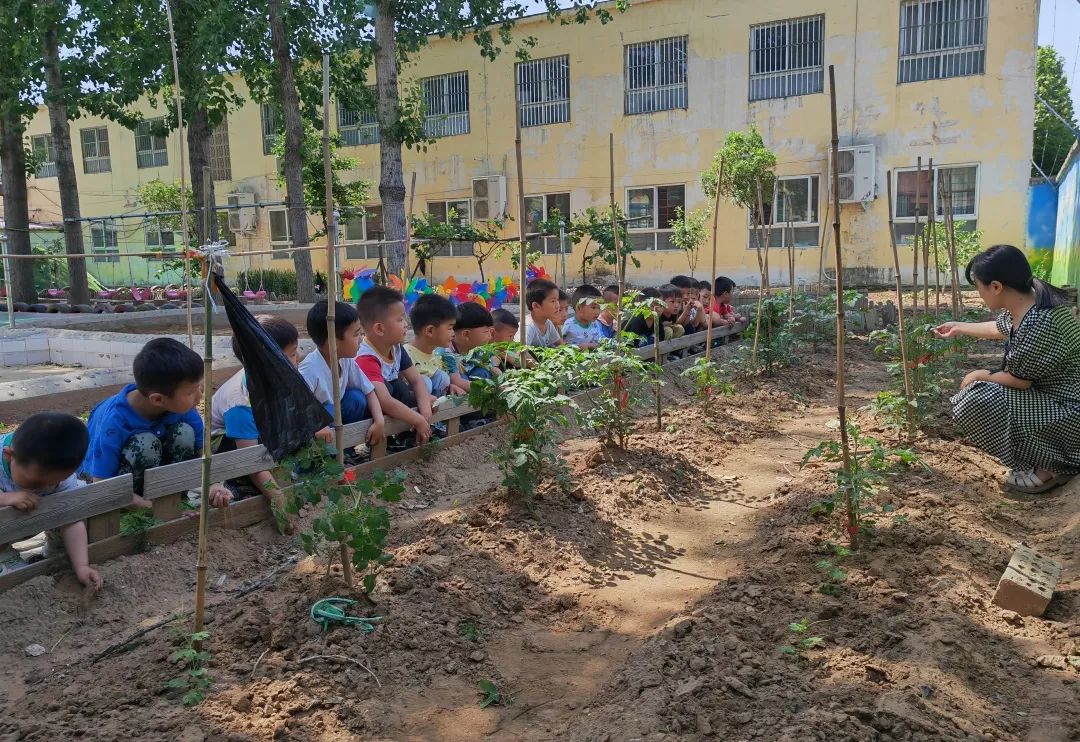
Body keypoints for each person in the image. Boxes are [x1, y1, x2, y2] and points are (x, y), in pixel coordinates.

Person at [938, 245, 1080, 495]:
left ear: (995, 286)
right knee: (985, 391)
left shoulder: (1038, 322)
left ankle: (1055, 466)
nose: (979, 294)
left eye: (978, 287)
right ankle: (1050, 457)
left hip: (1070, 414)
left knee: (975, 398)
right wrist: (958, 326)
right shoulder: (1033, 302)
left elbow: (1018, 381)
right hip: (1062, 403)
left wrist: (980, 374)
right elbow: (999, 327)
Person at [214, 315, 332, 521]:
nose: (298, 360)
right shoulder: (240, 402)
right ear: (267, 362)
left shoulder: (276, 381)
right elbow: (250, 460)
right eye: (293, 354)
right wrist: (279, 502)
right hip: (231, 450)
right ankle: (240, 484)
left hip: (261, 439)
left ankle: (280, 475)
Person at [83, 337, 204, 508]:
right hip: (113, 485)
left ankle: (176, 496)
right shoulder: (115, 422)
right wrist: (154, 509)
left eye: (199, 387)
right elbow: (102, 483)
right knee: (145, 444)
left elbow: (203, 454)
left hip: (157, 475)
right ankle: (143, 505)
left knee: (184, 432)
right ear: (157, 399)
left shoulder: (183, 408)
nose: (199, 396)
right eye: (192, 391)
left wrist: (213, 487)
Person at [0, 413, 101, 588]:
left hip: (36, 519)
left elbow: (71, 520)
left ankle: (57, 549)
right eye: (36, 482)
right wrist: (4, 498)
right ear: (9, 456)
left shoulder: (60, 476)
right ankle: (5, 556)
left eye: (54, 483)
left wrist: (81, 565)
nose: (45, 488)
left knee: (71, 501)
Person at [356, 286, 434, 447]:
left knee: (401, 387)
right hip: (369, 412)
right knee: (391, 388)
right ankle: (385, 440)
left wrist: (425, 409)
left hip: (391, 403)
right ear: (379, 328)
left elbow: (416, 380)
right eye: (399, 320)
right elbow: (384, 401)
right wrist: (418, 419)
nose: (406, 324)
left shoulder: (396, 347)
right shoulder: (366, 357)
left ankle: (402, 434)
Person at [406, 293, 469, 398]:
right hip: (412, 410)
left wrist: (450, 387)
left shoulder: (437, 354)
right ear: (430, 330)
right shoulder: (406, 355)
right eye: (449, 328)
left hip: (436, 409)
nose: (453, 333)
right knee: (424, 383)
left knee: (443, 377)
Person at [524, 278, 563, 348]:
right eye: (553, 301)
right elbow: (521, 353)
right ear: (535, 305)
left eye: (557, 300)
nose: (558, 306)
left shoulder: (548, 323)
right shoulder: (528, 326)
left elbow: (560, 343)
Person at [562, 284, 604, 349]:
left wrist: (589, 346)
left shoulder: (596, 324)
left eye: (599, 308)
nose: (598, 312)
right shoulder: (568, 325)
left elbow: (602, 343)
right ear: (579, 308)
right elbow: (560, 344)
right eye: (593, 307)